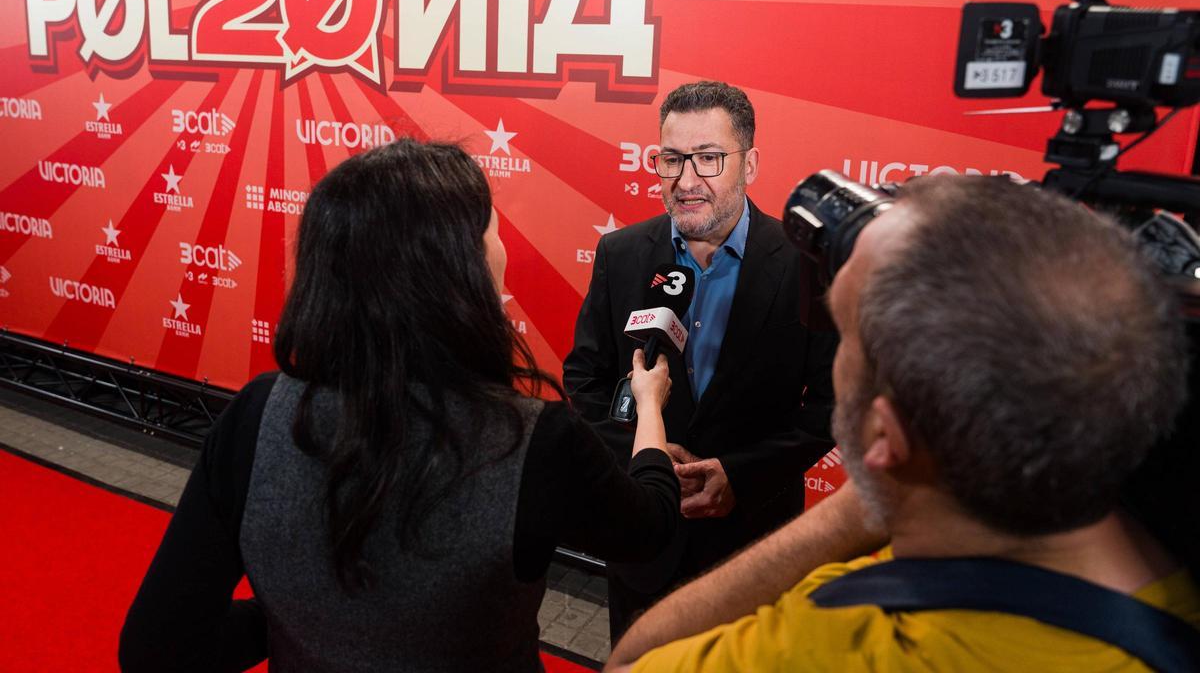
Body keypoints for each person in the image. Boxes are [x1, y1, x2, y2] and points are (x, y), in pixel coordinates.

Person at [118, 139, 680, 673]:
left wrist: (300, 617)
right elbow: (648, 535)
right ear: (462, 268)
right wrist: (648, 407)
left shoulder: (255, 414)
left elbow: (160, 648)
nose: (503, 249)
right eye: (493, 231)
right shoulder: (536, 439)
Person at [605, 174, 1200, 672]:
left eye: (846, 335)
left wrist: (859, 509)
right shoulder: (1167, 570)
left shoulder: (846, 642)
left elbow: (631, 661)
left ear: (886, 437)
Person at [564, 81, 837, 639]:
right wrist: (648, 453)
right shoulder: (621, 254)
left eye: (709, 159)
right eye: (671, 159)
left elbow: (832, 405)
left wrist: (739, 474)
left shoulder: (805, 263)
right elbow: (584, 379)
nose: (686, 181)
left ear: (749, 164)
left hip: (753, 545)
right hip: (644, 534)